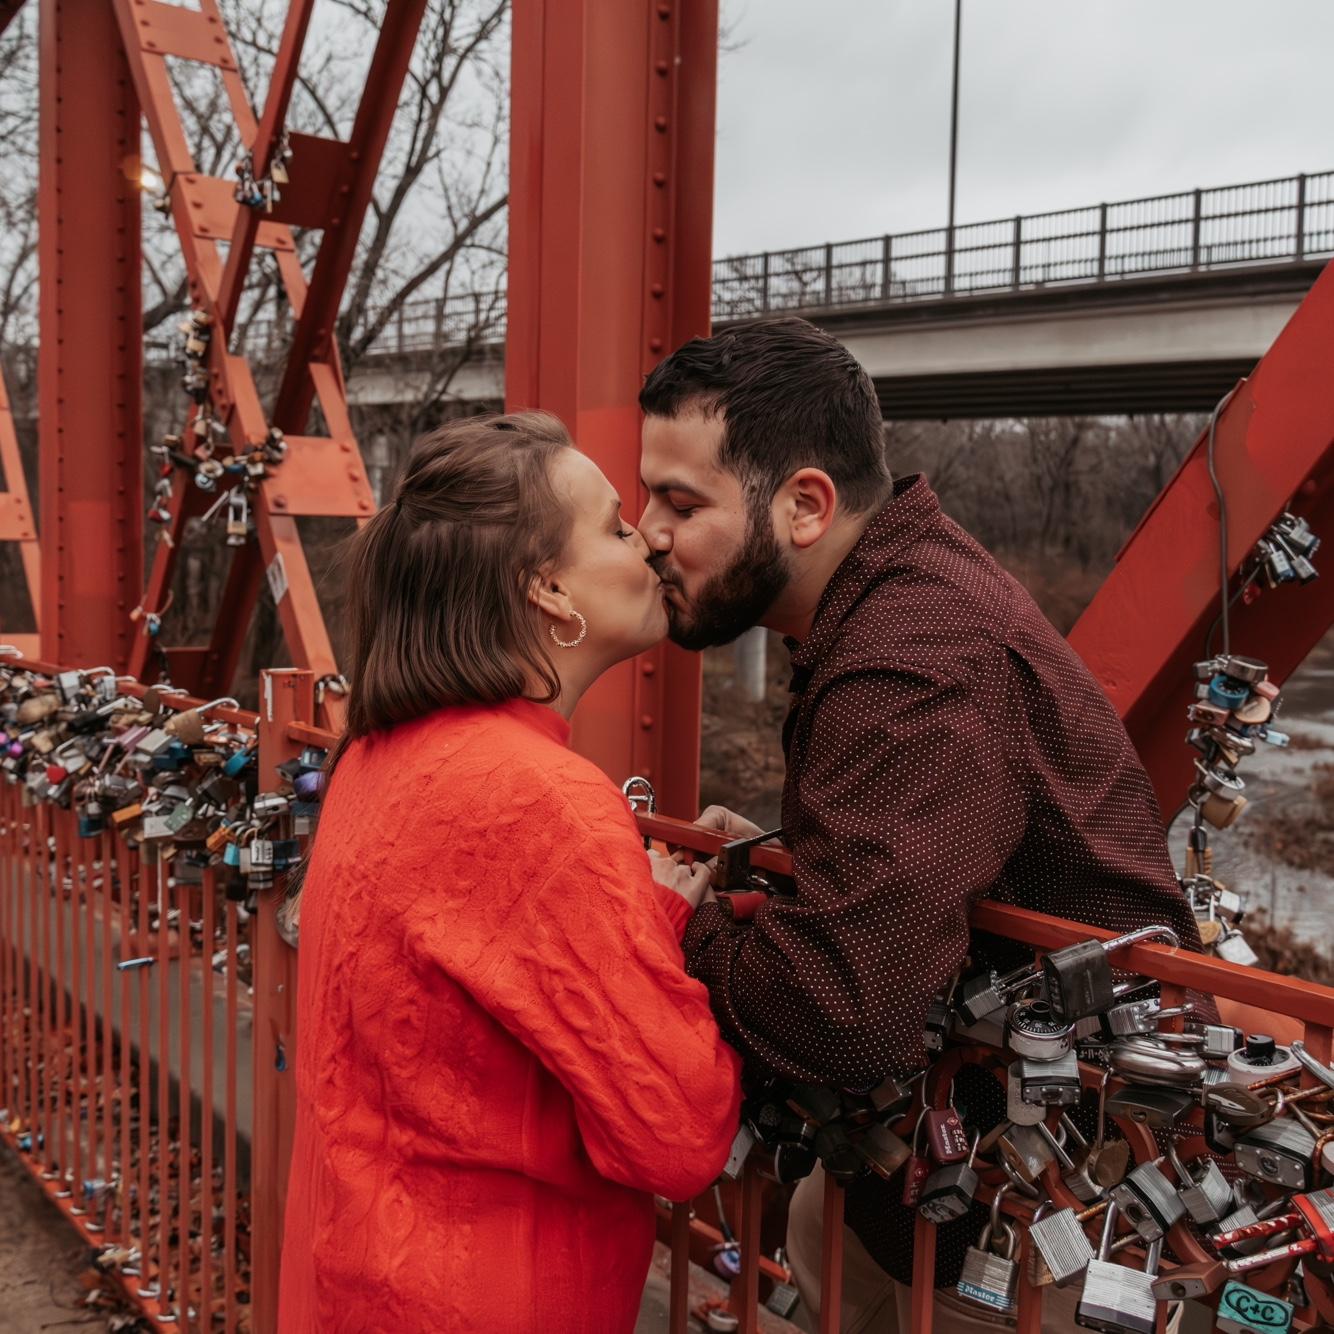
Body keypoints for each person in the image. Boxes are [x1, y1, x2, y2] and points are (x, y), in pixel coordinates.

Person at [636, 317, 1208, 1333]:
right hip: (934, 1183)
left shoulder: (914, 657)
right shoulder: (889, 607)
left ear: (805, 505)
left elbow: (841, 1006)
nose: (646, 529)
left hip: (1025, 1228)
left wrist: (674, 916)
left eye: (680, 501)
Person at [278, 411, 742, 1333]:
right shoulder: (543, 801)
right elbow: (678, 1133)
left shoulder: (378, 756)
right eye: (614, 526)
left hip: (354, 1277)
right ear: (547, 591)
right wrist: (654, 916)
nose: (648, 538)